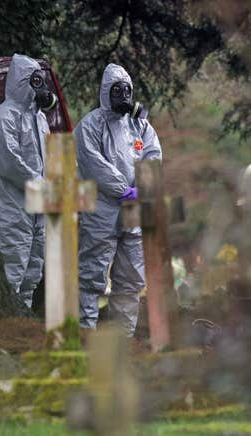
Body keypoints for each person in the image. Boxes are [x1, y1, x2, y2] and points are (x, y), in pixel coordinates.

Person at [75, 63, 162, 336]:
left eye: (127, 90)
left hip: (135, 209)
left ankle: (124, 339)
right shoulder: (90, 125)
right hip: (102, 209)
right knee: (92, 273)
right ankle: (85, 333)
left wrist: (142, 190)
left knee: (131, 277)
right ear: (105, 92)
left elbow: (153, 157)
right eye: (117, 90)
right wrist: (122, 189)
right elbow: (93, 163)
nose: (123, 95)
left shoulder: (141, 126)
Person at [0, 53, 57, 308]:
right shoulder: (1, 118)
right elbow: (9, 163)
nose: (41, 87)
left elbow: (47, 157)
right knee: (12, 268)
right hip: (10, 207)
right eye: (35, 81)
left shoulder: (40, 119)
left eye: (41, 81)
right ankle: (7, 326)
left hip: (36, 207)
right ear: (22, 82)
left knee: (33, 272)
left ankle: (21, 324)